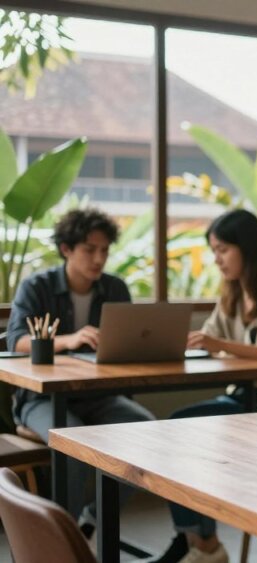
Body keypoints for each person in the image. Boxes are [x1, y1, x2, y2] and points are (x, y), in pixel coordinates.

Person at [154, 209, 257, 563]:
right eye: (214, 250)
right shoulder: (232, 294)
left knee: (178, 430)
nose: (217, 259)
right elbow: (212, 338)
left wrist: (221, 345)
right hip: (245, 398)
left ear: (248, 248)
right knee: (173, 431)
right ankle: (201, 541)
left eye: (223, 249)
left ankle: (200, 544)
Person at [6, 208, 155, 538]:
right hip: (41, 400)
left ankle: (92, 521)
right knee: (72, 444)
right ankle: (61, 540)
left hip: (98, 397)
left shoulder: (115, 289)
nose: (99, 258)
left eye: (104, 250)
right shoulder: (37, 286)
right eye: (90, 249)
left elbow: (127, 343)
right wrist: (68, 340)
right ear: (67, 249)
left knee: (146, 433)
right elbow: (16, 340)